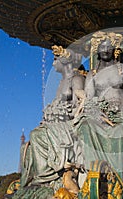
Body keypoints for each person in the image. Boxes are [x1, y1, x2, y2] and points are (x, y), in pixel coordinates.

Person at [74, 31, 123, 197]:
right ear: (97, 50)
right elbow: (89, 100)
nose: (106, 49)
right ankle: (96, 180)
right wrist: (97, 114)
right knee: (86, 127)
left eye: (109, 46)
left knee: (120, 133)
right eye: (102, 46)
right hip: (101, 115)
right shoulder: (92, 74)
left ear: (114, 48)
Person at [20, 46, 85, 190]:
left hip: (70, 122)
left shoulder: (77, 78)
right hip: (58, 123)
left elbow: (81, 103)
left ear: (65, 60)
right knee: (27, 145)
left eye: (56, 59)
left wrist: (64, 115)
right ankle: (37, 179)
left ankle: (44, 178)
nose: (53, 63)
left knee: (36, 135)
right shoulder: (62, 82)